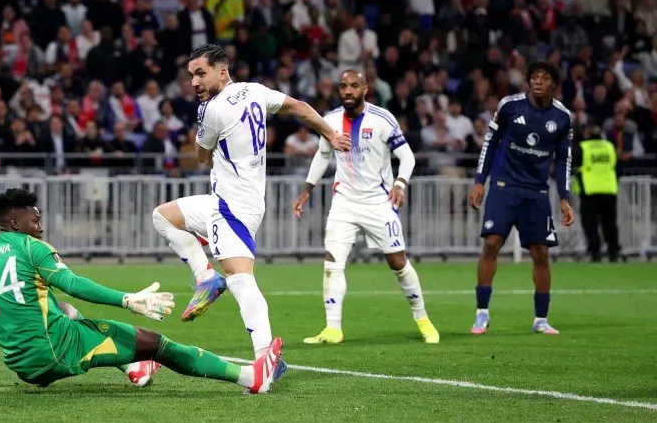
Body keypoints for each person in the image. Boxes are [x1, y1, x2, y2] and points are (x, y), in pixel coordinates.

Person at [0, 188, 283, 394]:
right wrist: (128, 299)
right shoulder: (32, 249)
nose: (41, 226)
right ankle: (251, 378)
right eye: (35, 220)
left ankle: (134, 368)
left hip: (22, 366)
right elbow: (74, 283)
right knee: (159, 345)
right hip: (56, 352)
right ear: (15, 222)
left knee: (62, 310)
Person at [149, 44, 350, 368]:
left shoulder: (212, 110)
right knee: (163, 216)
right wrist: (331, 133)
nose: (195, 82)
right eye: (191, 76)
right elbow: (298, 107)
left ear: (222, 71)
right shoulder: (255, 91)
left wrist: (205, 141)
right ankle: (205, 277)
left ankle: (266, 360)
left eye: (201, 73)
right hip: (226, 201)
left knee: (241, 280)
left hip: (235, 206)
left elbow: (200, 157)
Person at [292, 70, 439, 344]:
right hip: (344, 202)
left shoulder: (383, 119)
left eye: (354, 86)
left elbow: (406, 157)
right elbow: (323, 155)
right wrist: (307, 189)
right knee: (332, 262)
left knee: (398, 262)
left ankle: (423, 319)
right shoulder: (331, 120)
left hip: (378, 202)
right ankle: (333, 328)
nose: (348, 91)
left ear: (365, 89)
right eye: (343, 86)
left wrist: (400, 184)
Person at [469, 61, 575, 335]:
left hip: (537, 192)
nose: (538, 81)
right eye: (534, 77)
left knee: (541, 253)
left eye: (545, 78)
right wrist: (480, 181)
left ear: (554, 84)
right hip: (504, 186)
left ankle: (541, 318)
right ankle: (482, 313)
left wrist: (564, 197)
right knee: (491, 244)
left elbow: (564, 159)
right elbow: (489, 143)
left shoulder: (562, 118)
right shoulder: (509, 106)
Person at [575, 124, 620, 262]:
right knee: (610, 223)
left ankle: (595, 252)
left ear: (587, 134)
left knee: (590, 223)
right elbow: (616, 166)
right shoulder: (609, 147)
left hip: (590, 190)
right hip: (609, 189)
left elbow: (573, 163)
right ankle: (613, 252)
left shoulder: (583, 147)